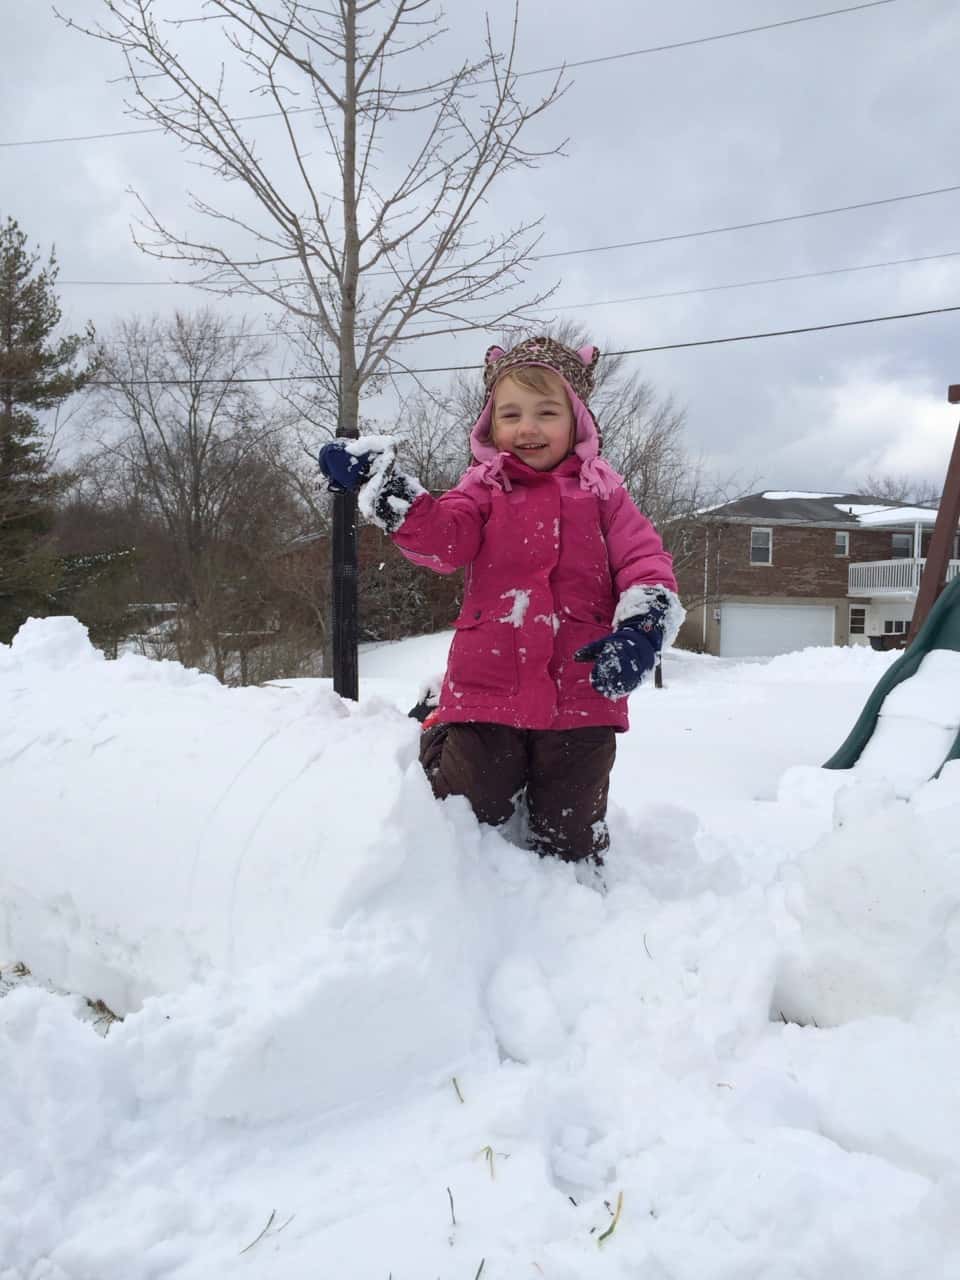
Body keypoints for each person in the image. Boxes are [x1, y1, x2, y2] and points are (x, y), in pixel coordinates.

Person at [319, 336, 683, 866]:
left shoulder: (605, 496)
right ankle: (437, 725)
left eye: (546, 413)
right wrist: (393, 494)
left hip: (582, 694)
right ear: (491, 427)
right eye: (510, 415)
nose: (527, 427)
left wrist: (640, 631)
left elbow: (645, 563)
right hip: (487, 687)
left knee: (570, 836)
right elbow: (446, 541)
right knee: (471, 807)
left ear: (578, 422)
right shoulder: (482, 490)